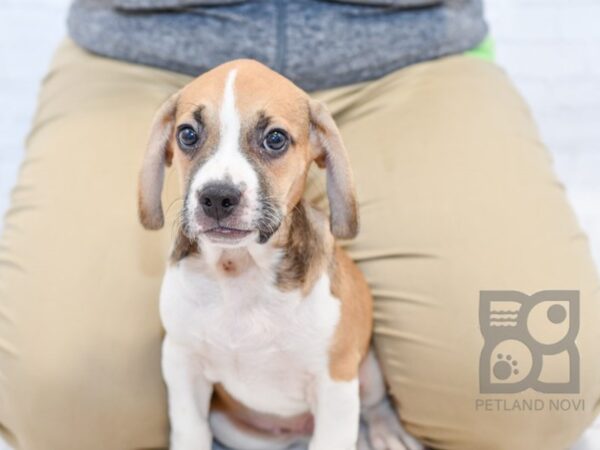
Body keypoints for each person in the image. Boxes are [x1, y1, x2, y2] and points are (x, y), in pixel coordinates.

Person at [0, 0, 598, 449]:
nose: (218, 188)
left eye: (275, 142)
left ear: (319, 155)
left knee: (538, 386)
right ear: (168, 146)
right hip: (142, 52)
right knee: (51, 406)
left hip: (409, 54)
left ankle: (379, 415)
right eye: (189, 139)